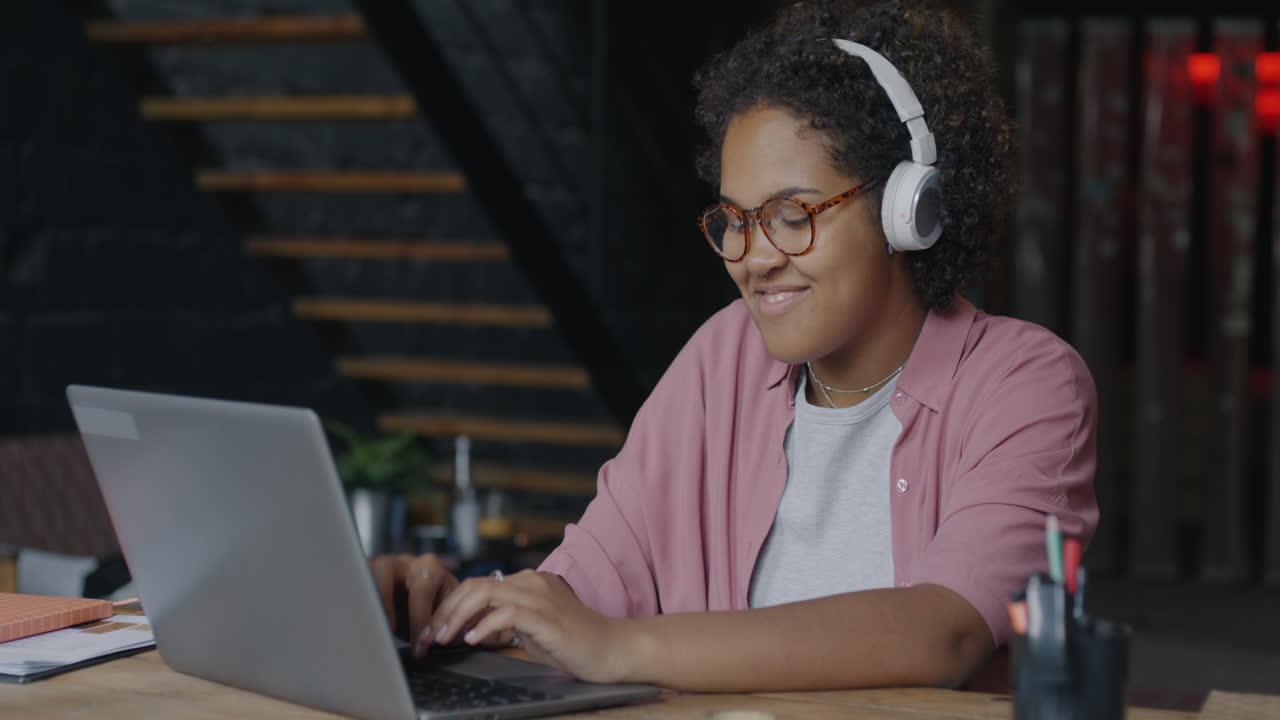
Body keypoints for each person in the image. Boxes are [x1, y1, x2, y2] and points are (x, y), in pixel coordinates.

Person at [371, 0, 1097, 692]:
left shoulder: (1027, 384)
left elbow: (945, 634)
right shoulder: (723, 357)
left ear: (909, 210)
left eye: (791, 213)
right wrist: (465, 613)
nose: (755, 257)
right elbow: (589, 585)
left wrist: (620, 648)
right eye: (734, 220)